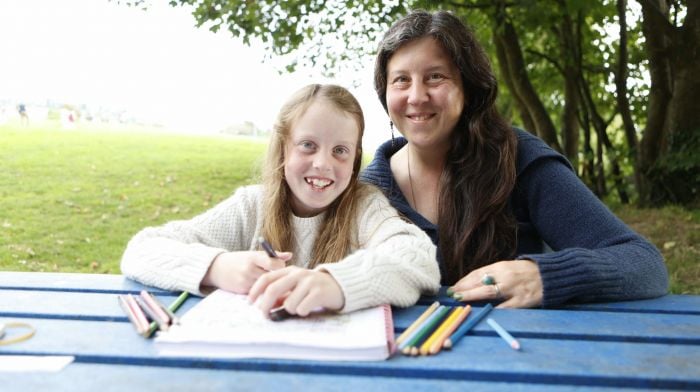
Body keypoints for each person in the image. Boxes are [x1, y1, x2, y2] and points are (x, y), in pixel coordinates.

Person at [360, 10, 668, 309]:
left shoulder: (520, 159)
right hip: (403, 355)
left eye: (435, 77)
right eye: (401, 80)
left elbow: (644, 264)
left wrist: (544, 276)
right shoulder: (364, 191)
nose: (416, 96)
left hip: (521, 352)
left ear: (468, 87)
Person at [121, 84, 440, 317]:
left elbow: (419, 257)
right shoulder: (251, 206)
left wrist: (337, 283)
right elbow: (142, 249)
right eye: (307, 146)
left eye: (340, 151)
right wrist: (217, 267)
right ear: (283, 148)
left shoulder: (364, 207)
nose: (323, 164)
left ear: (355, 158)